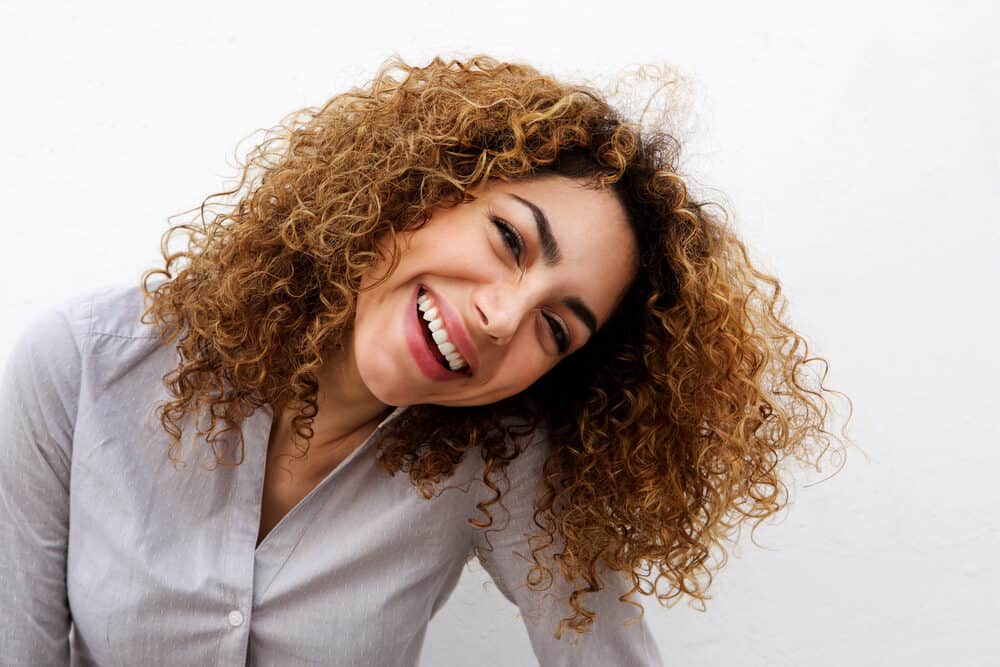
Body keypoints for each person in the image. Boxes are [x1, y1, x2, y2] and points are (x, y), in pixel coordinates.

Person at [0, 54, 850, 665]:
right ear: (417, 188)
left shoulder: (498, 463)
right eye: (510, 239)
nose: (499, 315)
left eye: (558, 328)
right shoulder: (82, 367)